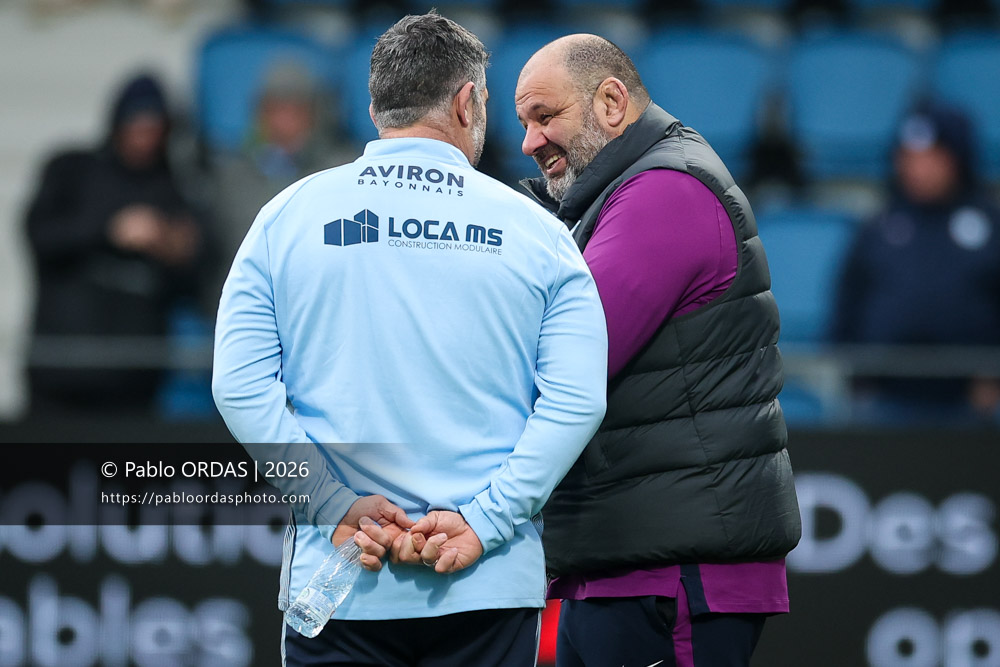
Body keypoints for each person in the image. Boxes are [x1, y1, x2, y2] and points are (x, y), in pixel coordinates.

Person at [212, 13, 608, 667]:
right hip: (486, 584)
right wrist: (486, 519)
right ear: (467, 101)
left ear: (375, 107)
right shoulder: (540, 234)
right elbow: (576, 401)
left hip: (340, 578)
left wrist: (329, 502)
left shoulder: (285, 217)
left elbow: (238, 383)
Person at [514, 35, 802, 666]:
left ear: (612, 102)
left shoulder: (665, 192)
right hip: (635, 560)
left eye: (544, 116)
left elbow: (569, 358)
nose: (530, 142)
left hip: (671, 573)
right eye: (524, 124)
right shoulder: (629, 192)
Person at [24, 72, 204, 416]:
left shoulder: (177, 192)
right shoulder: (71, 170)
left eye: (155, 127)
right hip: (59, 371)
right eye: (137, 124)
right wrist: (109, 231)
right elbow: (41, 237)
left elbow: (195, 278)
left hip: (134, 379)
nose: (145, 138)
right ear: (118, 122)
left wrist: (170, 247)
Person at [832, 100, 1000, 424]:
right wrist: (857, 376)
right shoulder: (878, 227)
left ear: (957, 159)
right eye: (909, 158)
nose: (918, 169)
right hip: (887, 398)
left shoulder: (990, 226)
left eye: (931, 157)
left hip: (971, 403)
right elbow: (848, 303)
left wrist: (994, 378)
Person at [208, 60, 355, 303]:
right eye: (275, 110)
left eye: (296, 111)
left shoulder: (342, 173)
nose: (285, 122)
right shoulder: (231, 177)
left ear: (315, 115)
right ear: (259, 115)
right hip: (251, 304)